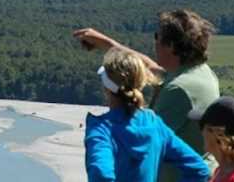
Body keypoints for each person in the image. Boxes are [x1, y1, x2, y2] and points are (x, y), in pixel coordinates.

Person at [74, 9, 220, 182]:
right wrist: (108, 44)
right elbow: (148, 68)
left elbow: (137, 141)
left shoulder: (178, 89)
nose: (155, 42)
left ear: (171, 45)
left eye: (157, 36)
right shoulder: (200, 73)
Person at [84, 46, 211, 182]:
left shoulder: (102, 130)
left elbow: (101, 174)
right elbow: (199, 169)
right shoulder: (154, 124)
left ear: (106, 87)